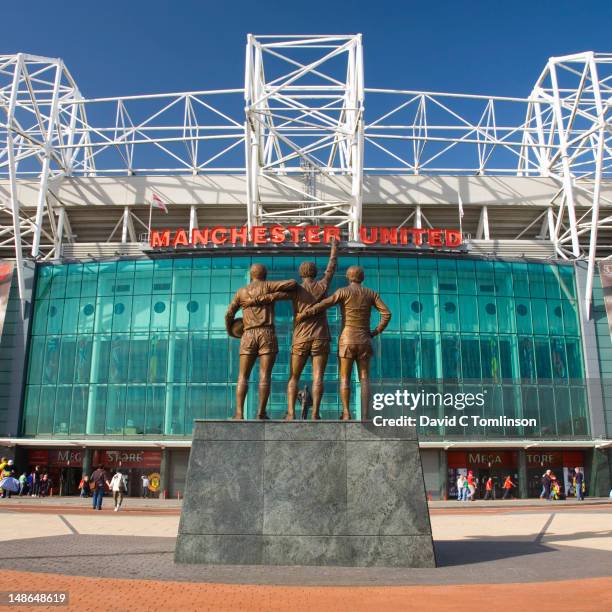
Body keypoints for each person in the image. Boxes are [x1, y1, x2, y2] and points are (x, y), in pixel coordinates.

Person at [247, 240, 338, 420]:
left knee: (293, 377)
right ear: (315, 273)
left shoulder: (296, 289)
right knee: (318, 376)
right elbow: (331, 267)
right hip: (321, 336)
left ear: (300, 273)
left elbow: (274, 296)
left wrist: (253, 300)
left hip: (301, 338)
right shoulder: (323, 285)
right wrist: (334, 250)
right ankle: (315, 413)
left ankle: (290, 413)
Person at [295, 265, 391, 420]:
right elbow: (387, 313)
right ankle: (366, 415)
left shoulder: (343, 292)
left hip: (347, 339)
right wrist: (375, 331)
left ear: (348, 277)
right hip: (364, 339)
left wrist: (305, 313)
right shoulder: (371, 293)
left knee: (345, 377)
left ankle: (346, 413)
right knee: (365, 377)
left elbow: (324, 304)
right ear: (362, 278)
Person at [225, 265, 298, 419]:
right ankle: (261, 412)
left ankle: (239, 413)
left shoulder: (241, 292)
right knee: (265, 375)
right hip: (267, 333)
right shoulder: (268, 285)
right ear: (264, 275)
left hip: (248, 334)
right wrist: (273, 295)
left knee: (242, 376)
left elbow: (229, 314)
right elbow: (292, 283)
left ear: (251, 275)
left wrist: (231, 331)